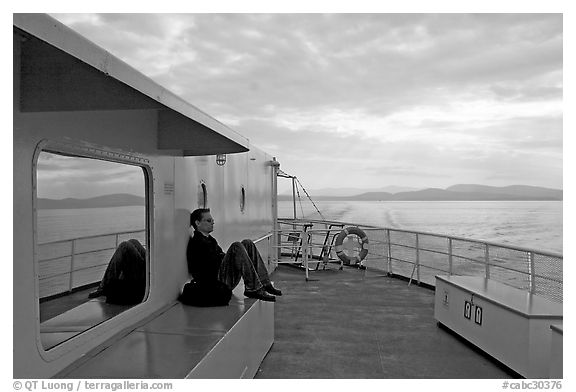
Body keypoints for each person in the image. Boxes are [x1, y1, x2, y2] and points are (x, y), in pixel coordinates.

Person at [186, 208, 281, 303]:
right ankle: (253, 289)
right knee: (236, 246)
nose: (212, 223)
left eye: (212, 220)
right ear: (197, 223)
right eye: (209, 220)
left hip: (223, 277)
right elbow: (208, 268)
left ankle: (265, 283)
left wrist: (229, 258)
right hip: (216, 283)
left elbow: (219, 257)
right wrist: (230, 257)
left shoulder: (210, 240)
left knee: (247, 243)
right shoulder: (197, 243)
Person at [88, 239, 146, 305]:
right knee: (133, 241)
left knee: (124, 246)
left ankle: (105, 286)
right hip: (149, 265)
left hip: (146, 272)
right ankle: (105, 286)